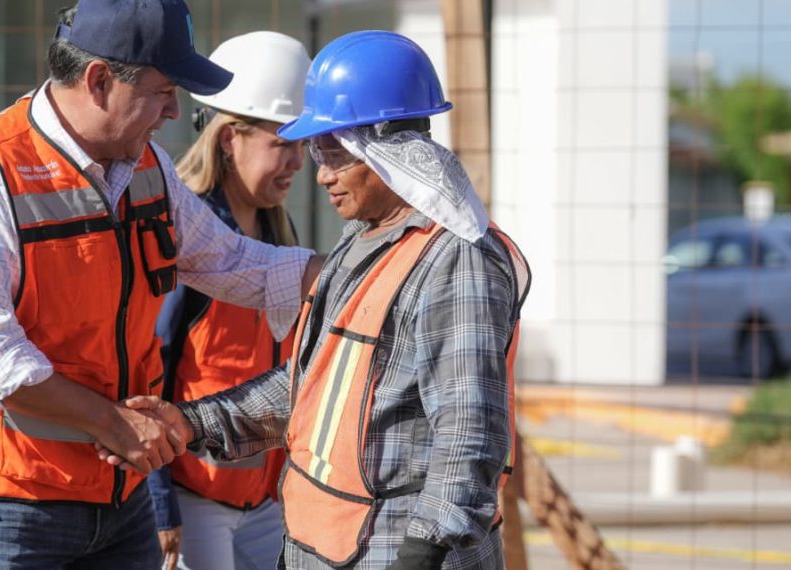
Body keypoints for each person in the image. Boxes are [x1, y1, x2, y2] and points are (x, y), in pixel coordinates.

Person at [0, 1, 319, 568]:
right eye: (164, 90)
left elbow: (230, 261)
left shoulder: (147, 167)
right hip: (8, 503)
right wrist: (113, 423)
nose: (177, 111)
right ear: (99, 81)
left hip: (119, 494)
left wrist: (364, 274)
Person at [106, 30, 530, 569]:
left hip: (392, 552)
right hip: (323, 545)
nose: (321, 173)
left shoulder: (455, 262)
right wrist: (194, 424)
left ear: (385, 149)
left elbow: (470, 429)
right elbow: (314, 383)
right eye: (315, 151)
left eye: (335, 154)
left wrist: (425, 551)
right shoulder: (365, 241)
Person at [146, 31, 310, 570]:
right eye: (283, 144)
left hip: (267, 495)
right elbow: (149, 370)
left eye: (304, 144)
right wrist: (158, 499)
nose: (299, 162)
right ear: (227, 139)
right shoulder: (186, 241)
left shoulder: (280, 239)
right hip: (195, 498)